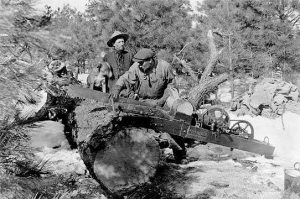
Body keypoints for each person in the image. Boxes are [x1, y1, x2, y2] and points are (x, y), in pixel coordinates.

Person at [111, 48, 186, 163]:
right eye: (138, 62)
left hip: (162, 100)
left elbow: (171, 86)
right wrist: (117, 87)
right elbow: (125, 77)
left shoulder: (164, 66)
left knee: (172, 123)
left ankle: (180, 155)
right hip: (143, 100)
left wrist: (162, 101)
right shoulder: (136, 67)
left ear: (150, 60)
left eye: (141, 63)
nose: (139, 65)